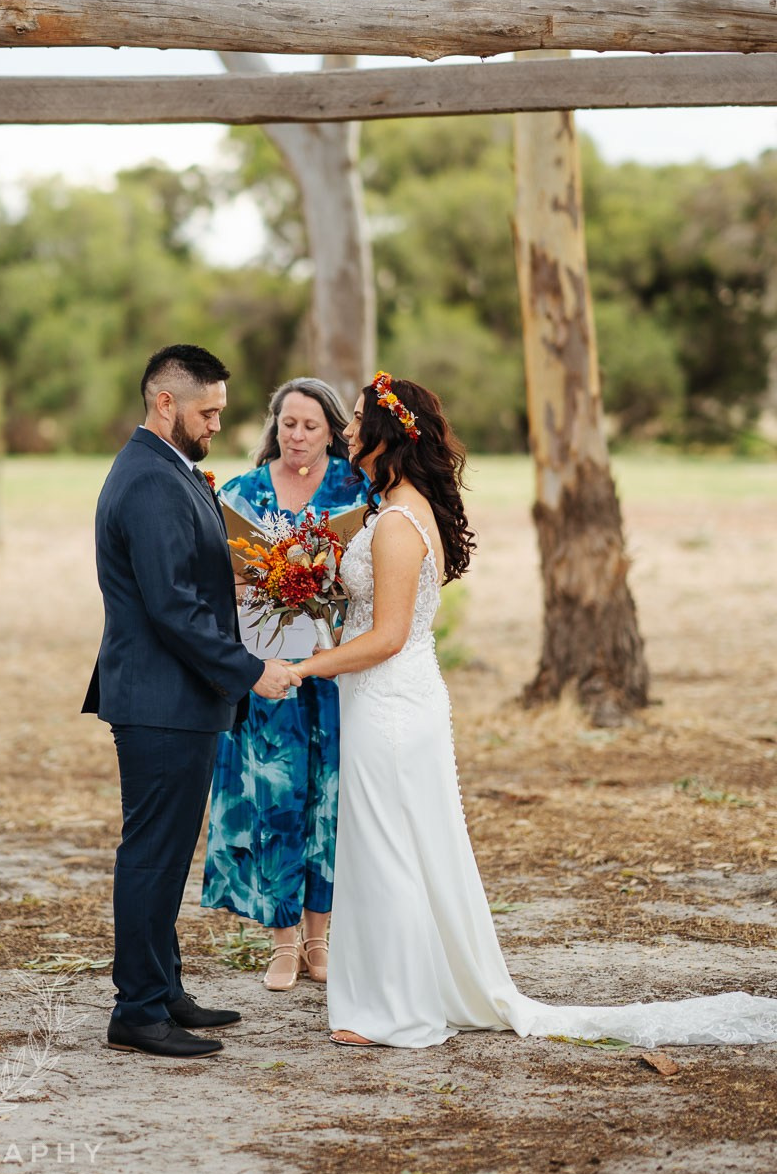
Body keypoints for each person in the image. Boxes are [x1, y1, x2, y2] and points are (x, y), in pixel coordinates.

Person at [294, 370, 777, 1049]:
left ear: (383, 434)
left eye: (353, 420)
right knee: (397, 845)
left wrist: (303, 667)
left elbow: (389, 636)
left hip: (393, 702)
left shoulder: (400, 523)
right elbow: (371, 621)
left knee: (389, 849)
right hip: (391, 697)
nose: (345, 430)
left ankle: (397, 1010)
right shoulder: (393, 510)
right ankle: (402, 992)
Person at [82, 344, 300, 1060]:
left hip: (175, 698)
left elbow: (188, 579)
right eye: (207, 412)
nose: (215, 426)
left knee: (169, 853)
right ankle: (137, 1010)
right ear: (165, 403)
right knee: (151, 854)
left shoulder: (170, 470)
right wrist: (248, 669)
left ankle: (164, 987)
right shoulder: (148, 479)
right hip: (161, 699)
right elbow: (171, 606)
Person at [201, 377, 368, 992]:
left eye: (311, 426)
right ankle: (280, 940)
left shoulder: (357, 492)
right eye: (288, 424)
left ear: (332, 433)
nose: (297, 437)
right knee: (273, 795)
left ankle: (320, 938)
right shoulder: (242, 494)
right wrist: (262, 585)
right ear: (275, 426)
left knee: (328, 798)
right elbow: (222, 582)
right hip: (265, 671)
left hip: (331, 671)